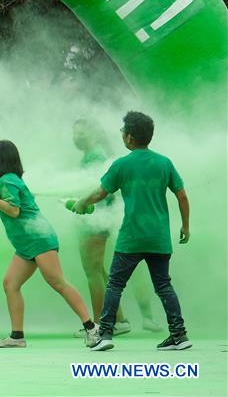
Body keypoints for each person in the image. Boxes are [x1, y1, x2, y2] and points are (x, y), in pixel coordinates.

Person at [76, 111, 192, 352]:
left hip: (132, 237)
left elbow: (100, 193)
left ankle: (105, 334)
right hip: (159, 237)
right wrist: (185, 226)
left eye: (122, 132)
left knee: (115, 284)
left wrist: (82, 202)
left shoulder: (121, 164)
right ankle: (179, 335)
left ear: (129, 137)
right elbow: (182, 195)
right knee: (164, 285)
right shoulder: (164, 162)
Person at [0, 139, 99, 348]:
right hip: (27, 244)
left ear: (0, 159)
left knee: (57, 282)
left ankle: (92, 328)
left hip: (38, 239)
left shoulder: (7, 180)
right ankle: (17, 337)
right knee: (10, 284)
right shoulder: (11, 179)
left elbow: (13, 210)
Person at [70, 119, 159, 338]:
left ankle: (99, 325)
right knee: (98, 271)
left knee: (93, 272)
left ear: (94, 134)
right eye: (75, 133)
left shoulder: (96, 156)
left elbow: (102, 190)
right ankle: (119, 321)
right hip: (97, 219)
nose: (76, 137)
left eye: (81, 133)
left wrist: (86, 207)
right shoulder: (92, 155)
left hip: (96, 221)